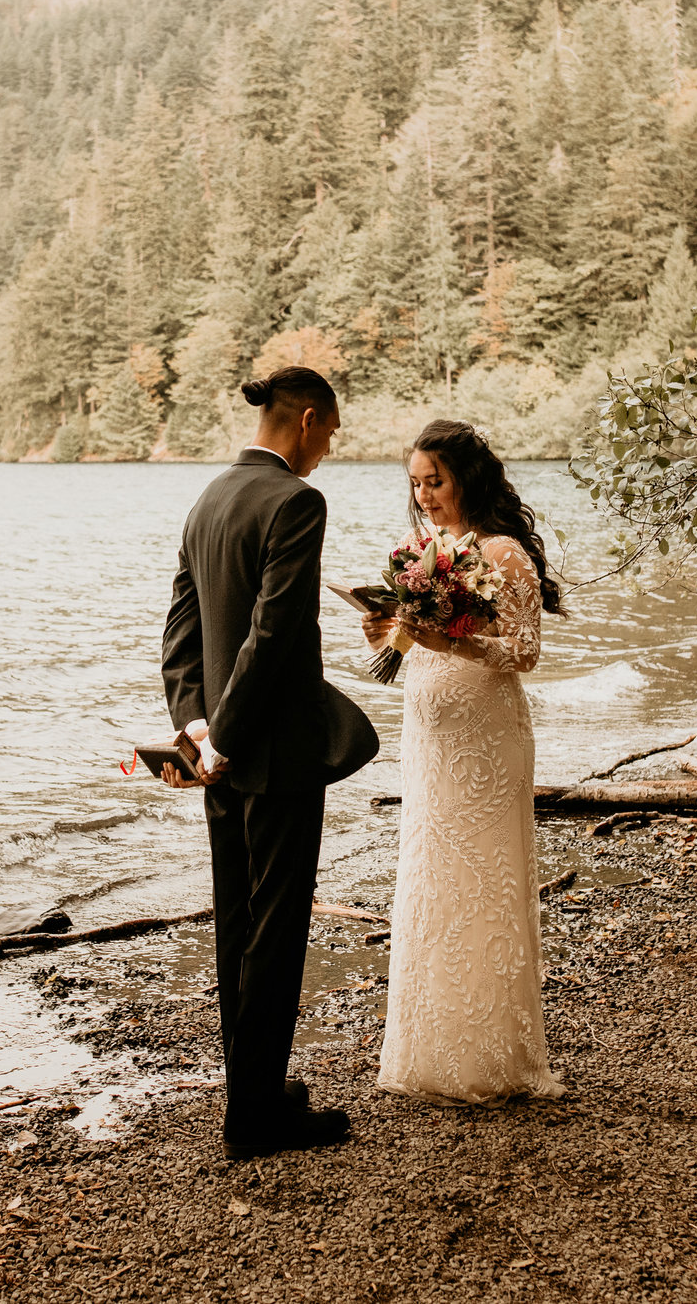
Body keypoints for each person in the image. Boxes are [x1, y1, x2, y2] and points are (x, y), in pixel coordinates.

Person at [160, 365, 380, 1159]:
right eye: (333, 430)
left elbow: (181, 635)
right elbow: (273, 633)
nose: (330, 446)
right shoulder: (297, 502)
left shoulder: (209, 498)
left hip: (218, 758)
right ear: (310, 419)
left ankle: (252, 1088)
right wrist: (226, 737)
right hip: (274, 753)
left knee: (236, 926)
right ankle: (256, 1120)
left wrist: (198, 730)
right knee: (276, 932)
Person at [363, 418, 567, 1104]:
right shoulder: (427, 552)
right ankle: (430, 1049)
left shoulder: (504, 553)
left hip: (485, 731)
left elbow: (523, 651)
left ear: (465, 478)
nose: (424, 495)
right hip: (431, 732)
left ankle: (491, 1056)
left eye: (435, 480)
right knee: (432, 875)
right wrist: (390, 631)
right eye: (416, 483)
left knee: (484, 877)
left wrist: (449, 645)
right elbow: (421, 637)